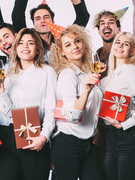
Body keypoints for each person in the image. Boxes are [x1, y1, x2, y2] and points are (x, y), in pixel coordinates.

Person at [0, 28, 57, 180]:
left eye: (30, 43)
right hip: (10, 139)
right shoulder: (9, 74)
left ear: (37, 49)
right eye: (21, 43)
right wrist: (0, 89)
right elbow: (8, 112)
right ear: (16, 48)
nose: (25, 46)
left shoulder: (47, 72)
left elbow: (51, 109)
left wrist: (44, 137)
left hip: (36, 137)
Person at [50, 25, 103, 180]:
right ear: (62, 52)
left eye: (77, 41)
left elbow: (95, 108)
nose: (75, 47)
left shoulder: (87, 73)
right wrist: (86, 90)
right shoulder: (68, 74)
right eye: (68, 45)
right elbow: (73, 115)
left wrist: (96, 131)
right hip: (68, 143)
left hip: (88, 142)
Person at [12, 0, 90, 63]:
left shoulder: (64, 39)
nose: (42, 20)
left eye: (46, 17)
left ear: (53, 21)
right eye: (37, 18)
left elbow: (83, 17)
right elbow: (17, 15)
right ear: (33, 24)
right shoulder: (30, 42)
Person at [100, 32, 135, 180]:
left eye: (125, 44)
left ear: (132, 51)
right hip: (111, 138)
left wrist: (124, 124)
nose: (120, 45)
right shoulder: (111, 76)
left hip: (128, 139)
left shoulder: (131, 71)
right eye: (118, 42)